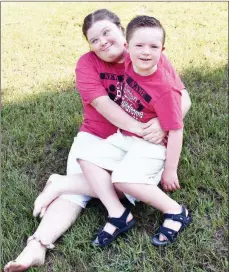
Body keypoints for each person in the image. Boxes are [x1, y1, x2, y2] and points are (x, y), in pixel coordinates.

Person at [4, 9, 191, 272]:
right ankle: (36, 246)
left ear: (121, 32)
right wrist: (145, 129)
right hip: (99, 135)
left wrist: (162, 123)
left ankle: (63, 183)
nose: (102, 41)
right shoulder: (87, 64)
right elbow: (110, 111)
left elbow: (183, 97)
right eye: (94, 40)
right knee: (77, 197)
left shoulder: (146, 53)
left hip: (141, 141)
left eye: (106, 32)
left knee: (129, 184)